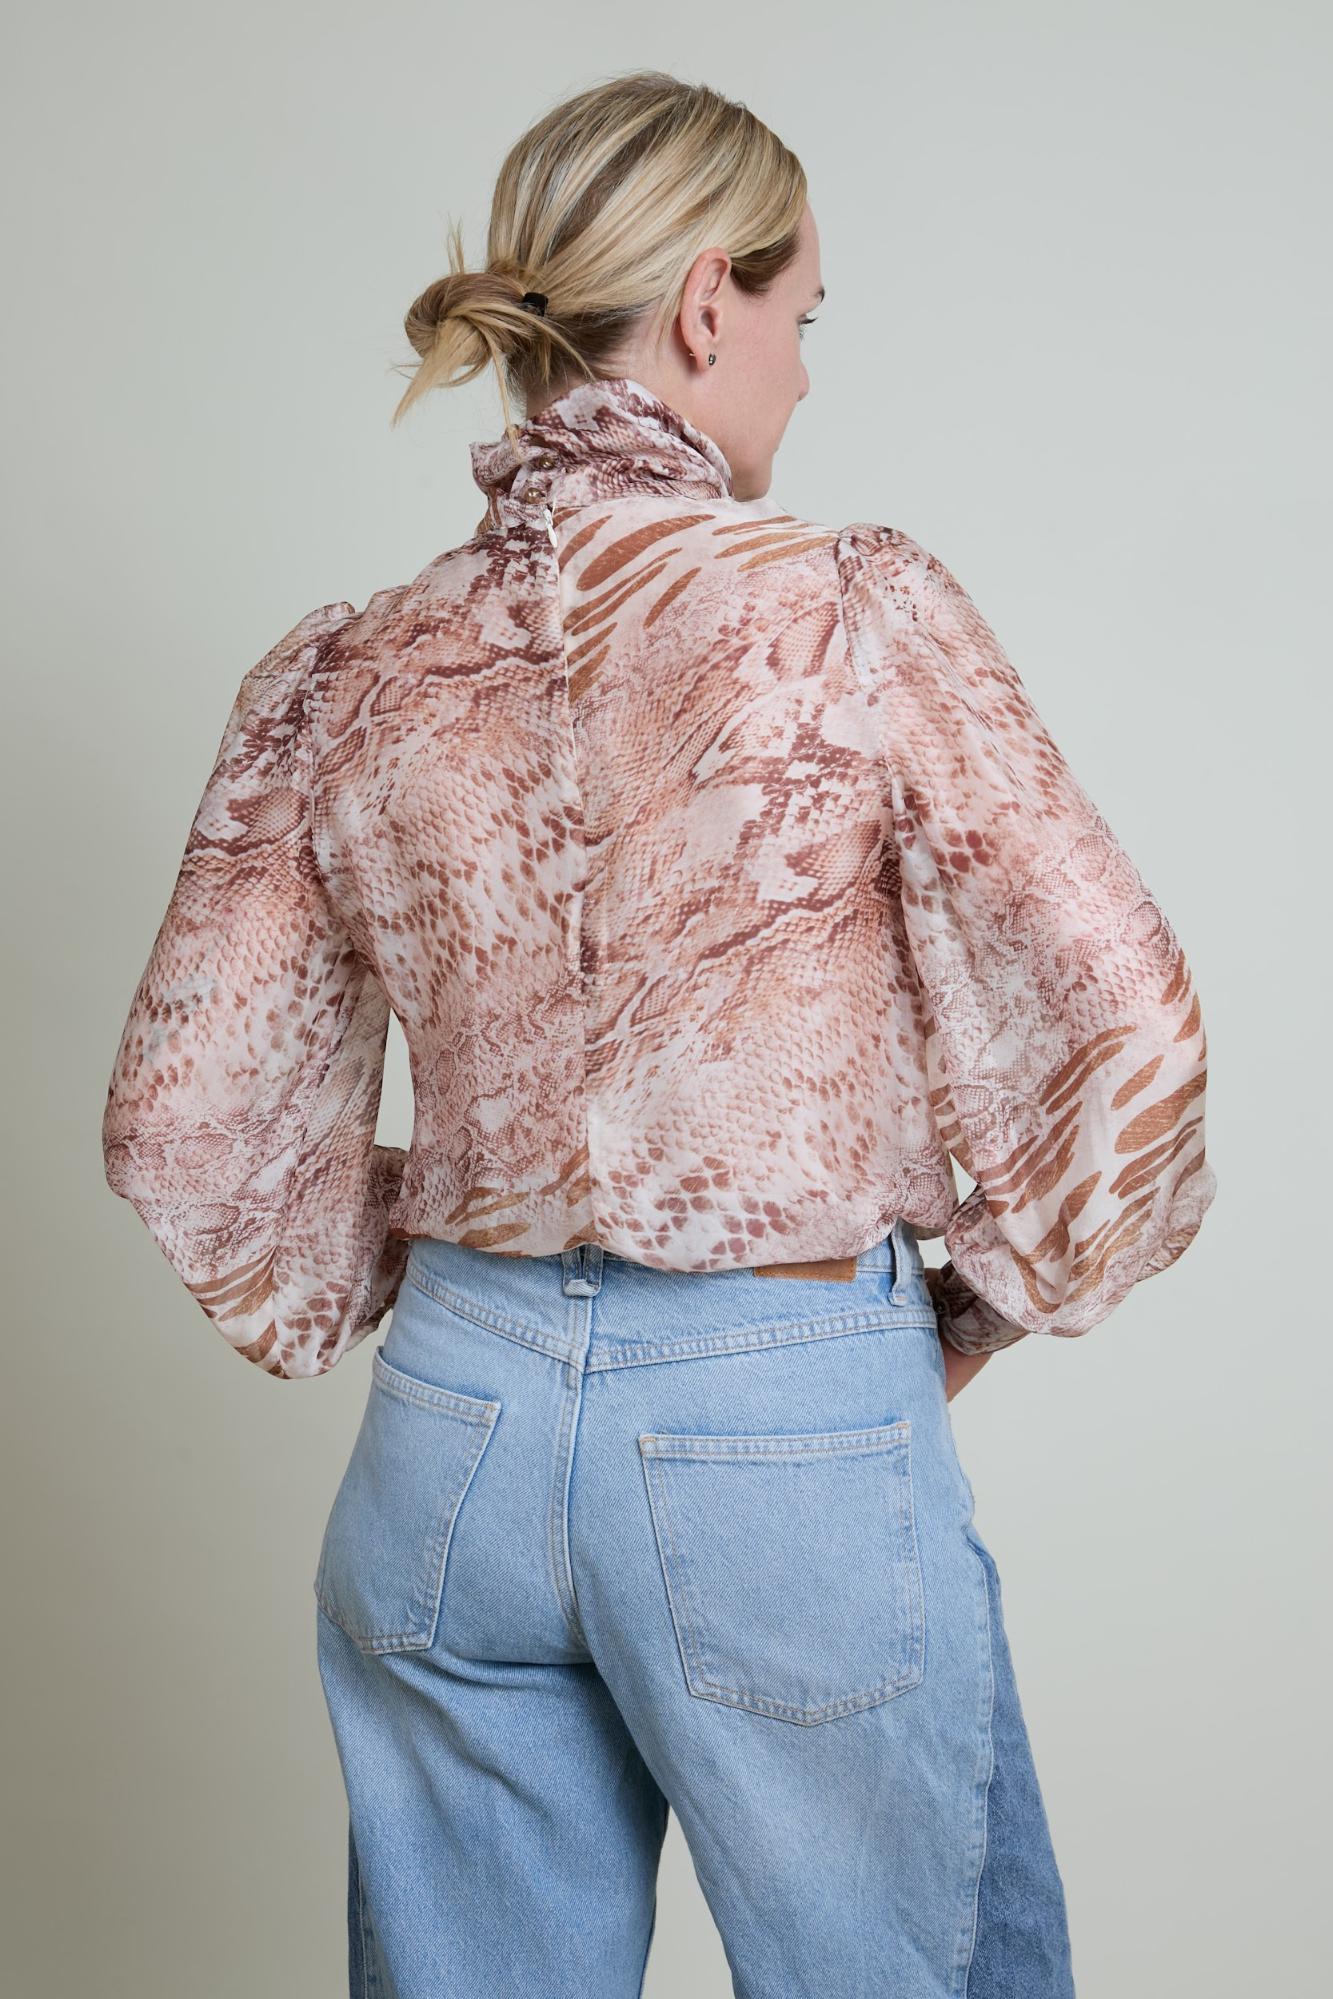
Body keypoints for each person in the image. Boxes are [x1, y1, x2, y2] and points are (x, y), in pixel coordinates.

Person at [101, 68, 1215, 1999]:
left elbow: (182, 1126)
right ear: (708, 303)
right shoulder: (842, 612)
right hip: (779, 1424)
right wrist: (966, 1311)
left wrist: (465, 1265)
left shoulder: (351, 669)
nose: (803, 369)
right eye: (802, 315)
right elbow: (1127, 1024)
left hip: (449, 1437)